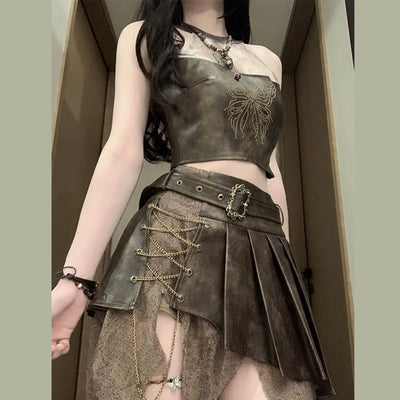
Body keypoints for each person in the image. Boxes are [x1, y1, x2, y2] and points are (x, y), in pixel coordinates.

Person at [51, 1, 336, 399]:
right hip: (179, 232)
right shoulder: (147, 39)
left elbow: (271, 170)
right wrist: (75, 280)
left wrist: (283, 279)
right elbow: (122, 153)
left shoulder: (268, 61)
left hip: (262, 246)